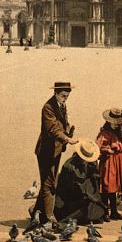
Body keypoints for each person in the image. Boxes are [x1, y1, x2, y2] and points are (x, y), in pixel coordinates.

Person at [33, 81, 79, 225]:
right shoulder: (48, 107)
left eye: (67, 96)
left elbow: (61, 123)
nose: (65, 98)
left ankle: (35, 212)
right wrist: (66, 138)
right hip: (46, 151)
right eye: (63, 96)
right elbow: (52, 128)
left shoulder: (61, 105)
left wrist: (68, 129)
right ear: (56, 94)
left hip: (56, 149)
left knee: (49, 181)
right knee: (49, 184)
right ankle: (48, 218)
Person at [54, 138, 107, 224]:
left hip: (83, 192)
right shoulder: (70, 166)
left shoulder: (91, 162)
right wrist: (91, 197)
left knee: (95, 209)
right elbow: (76, 187)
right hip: (70, 196)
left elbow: (94, 179)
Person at [96, 108, 122, 221]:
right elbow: (98, 147)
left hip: (120, 160)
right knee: (107, 186)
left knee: (115, 186)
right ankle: (105, 212)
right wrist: (107, 149)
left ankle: (114, 211)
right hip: (109, 161)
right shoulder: (104, 133)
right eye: (114, 123)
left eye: (119, 123)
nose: (116, 125)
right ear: (109, 122)